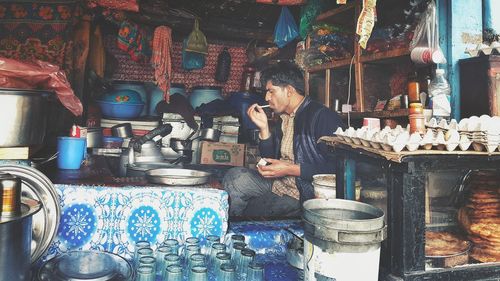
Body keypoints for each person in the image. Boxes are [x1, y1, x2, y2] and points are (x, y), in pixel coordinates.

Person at [223, 62, 344, 218]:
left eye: (271, 91)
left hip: (301, 194)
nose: (266, 98)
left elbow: (340, 168)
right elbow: (270, 159)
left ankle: (242, 225)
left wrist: (291, 169)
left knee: (251, 212)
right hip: (279, 184)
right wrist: (264, 128)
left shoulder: (322, 117)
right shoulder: (284, 118)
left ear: (289, 91)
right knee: (234, 177)